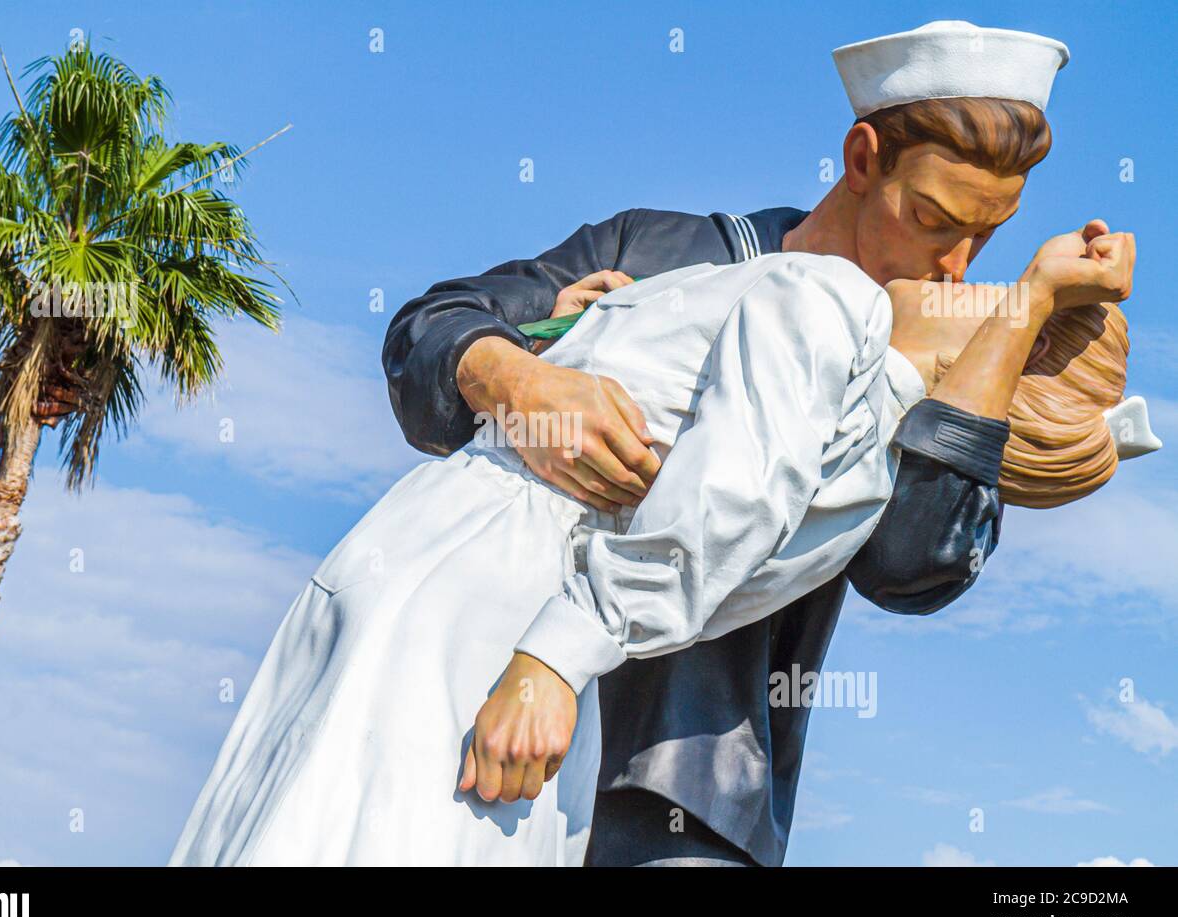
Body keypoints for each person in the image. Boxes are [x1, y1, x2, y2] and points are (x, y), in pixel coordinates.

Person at [380, 20, 1125, 865]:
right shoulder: (659, 251)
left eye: (985, 237)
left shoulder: (941, 349)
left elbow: (913, 568)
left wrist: (1017, 321)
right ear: (861, 157)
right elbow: (426, 333)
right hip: (478, 714)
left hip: (681, 790)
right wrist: (522, 379)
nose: (956, 265)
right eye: (932, 218)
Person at [168, 218, 1140, 864]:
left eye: (989, 301)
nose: (957, 275)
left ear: (979, 361)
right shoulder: (844, 421)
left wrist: (553, 656)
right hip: (466, 597)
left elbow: (716, 512)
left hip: (470, 602)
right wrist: (575, 329)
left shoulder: (831, 304)